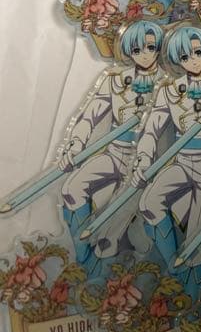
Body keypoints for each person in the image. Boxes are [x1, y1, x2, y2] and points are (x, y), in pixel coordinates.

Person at [59, 21, 167, 276]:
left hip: (146, 163)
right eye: (137, 49)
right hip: (114, 152)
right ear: (128, 50)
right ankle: (80, 254)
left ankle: (102, 264)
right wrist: (74, 145)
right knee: (70, 190)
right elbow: (90, 116)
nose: (145, 54)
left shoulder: (169, 84)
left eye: (151, 47)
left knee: (114, 219)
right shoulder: (114, 79)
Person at [135, 25, 201, 297]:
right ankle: (176, 270)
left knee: (196, 239)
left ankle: (195, 292)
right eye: (185, 56)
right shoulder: (169, 90)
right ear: (176, 60)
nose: (193, 60)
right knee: (149, 204)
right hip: (180, 161)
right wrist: (143, 159)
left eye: (198, 53)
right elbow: (151, 129)